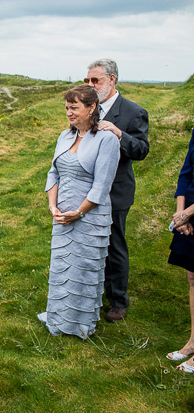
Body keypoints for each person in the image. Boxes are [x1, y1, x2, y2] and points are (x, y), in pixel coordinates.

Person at [37, 85, 120, 339]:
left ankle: (80, 324)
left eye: (74, 108)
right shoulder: (64, 136)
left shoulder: (106, 140)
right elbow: (54, 172)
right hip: (62, 216)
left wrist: (79, 212)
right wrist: (54, 206)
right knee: (63, 267)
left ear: (92, 107)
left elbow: (102, 185)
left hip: (90, 217)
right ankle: (59, 318)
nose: (69, 113)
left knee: (84, 268)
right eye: (67, 108)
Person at [85, 59, 150, 322]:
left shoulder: (133, 112)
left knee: (114, 244)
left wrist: (120, 134)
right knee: (89, 242)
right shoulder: (88, 108)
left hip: (116, 191)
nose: (90, 85)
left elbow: (142, 150)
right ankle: (90, 294)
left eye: (95, 81)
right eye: (87, 80)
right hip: (87, 189)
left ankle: (118, 301)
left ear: (111, 80)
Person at [165, 124, 194, 372]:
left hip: (191, 214)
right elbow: (186, 173)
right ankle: (193, 342)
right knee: (192, 277)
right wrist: (179, 214)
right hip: (188, 217)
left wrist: (187, 214)